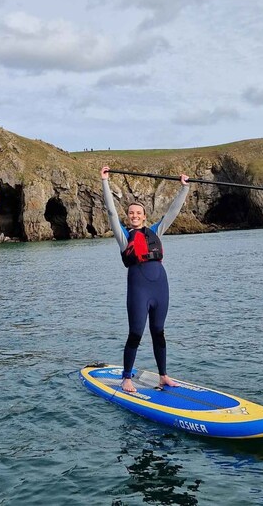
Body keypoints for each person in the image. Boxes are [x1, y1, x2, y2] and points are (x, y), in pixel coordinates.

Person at [101, 166, 190, 393]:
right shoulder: (124, 236)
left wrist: (184, 188)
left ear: (144, 216)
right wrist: (105, 182)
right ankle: (126, 378)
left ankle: (163, 376)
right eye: (131, 213)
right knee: (136, 333)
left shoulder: (156, 231)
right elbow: (111, 213)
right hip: (138, 289)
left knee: (159, 331)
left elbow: (173, 212)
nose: (134, 215)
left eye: (138, 213)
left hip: (160, 287)